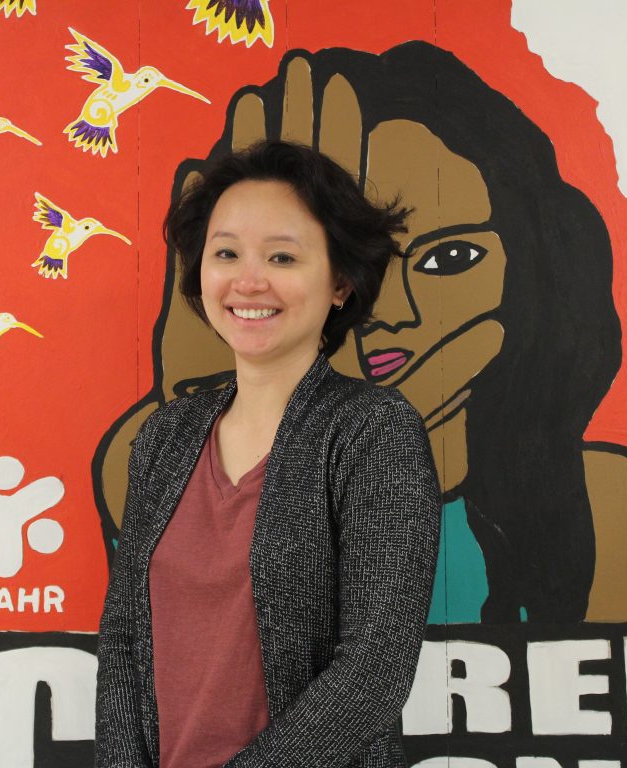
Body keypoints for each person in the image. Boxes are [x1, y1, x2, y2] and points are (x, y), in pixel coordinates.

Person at [96, 40, 627, 626]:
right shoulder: (159, 445)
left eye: (450, 258)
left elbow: (364, 660)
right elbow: (140, 645)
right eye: (227, 253)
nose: (392, 313)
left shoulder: (595, 498)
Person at [94, 140, 441, 768]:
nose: (248, 281)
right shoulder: (165, 438)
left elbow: (374, 672)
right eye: (226, 253)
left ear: (340, 282)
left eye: (282, 256)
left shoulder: (372, 432)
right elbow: (122, 642)